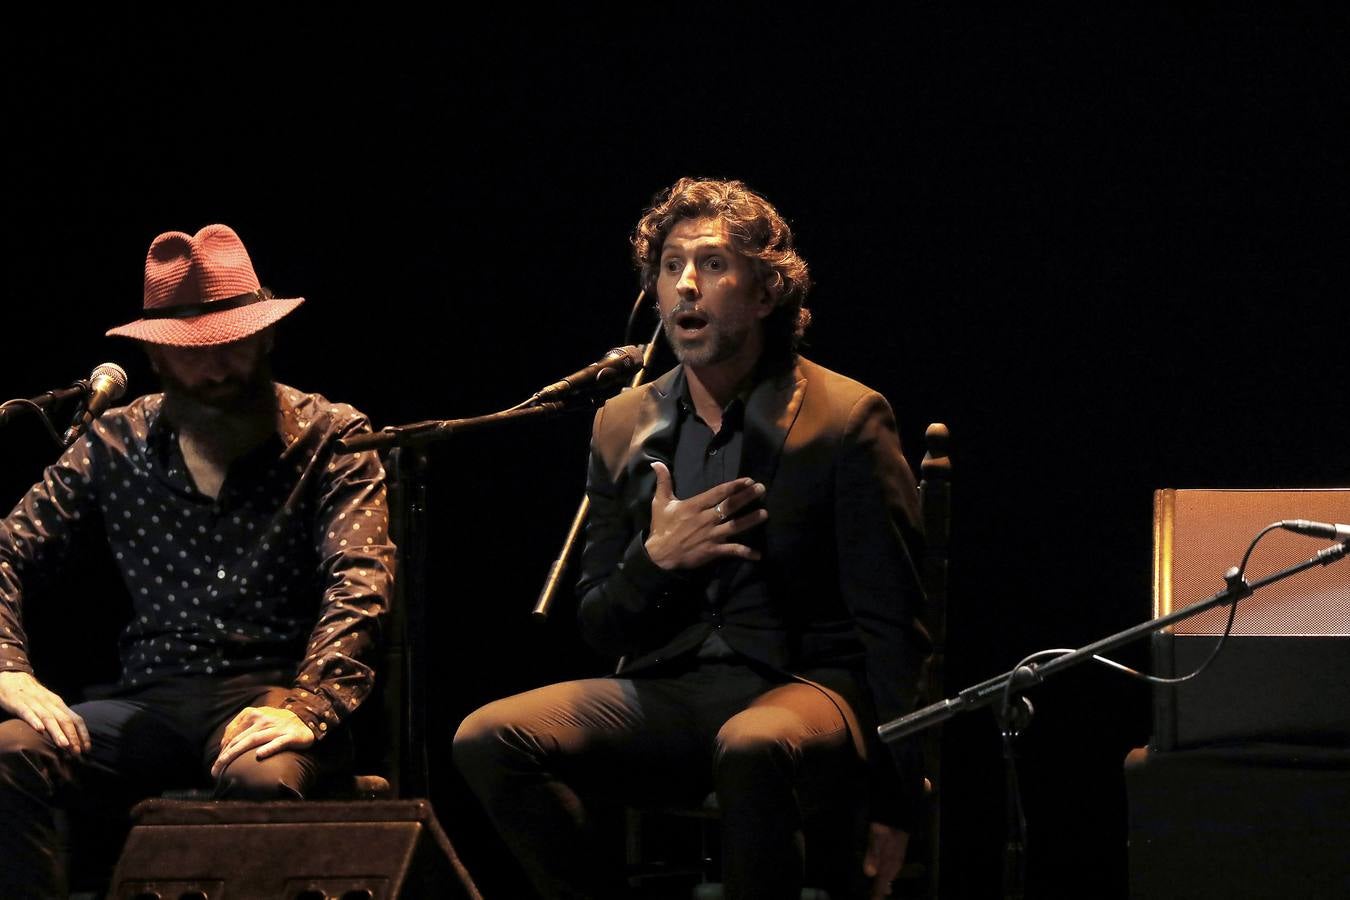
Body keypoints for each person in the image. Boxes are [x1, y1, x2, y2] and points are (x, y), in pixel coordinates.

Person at [454, 178, 930, 899]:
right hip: (674, 692)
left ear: (766, 292)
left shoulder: (845, 418)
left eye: (711, 266)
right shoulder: (622, 422)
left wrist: (901, 801)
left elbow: (894, 625)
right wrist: (655, 562)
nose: (685, 287)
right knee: (488, 738)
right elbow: (597, 620)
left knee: (752, 744)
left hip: (807, 686)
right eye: (671, 265)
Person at [0, 224, 395, 897]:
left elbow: (358, 581)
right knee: (11, 754)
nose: (216, 370)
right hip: (151, 703)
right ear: (157, 355)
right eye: (192, 353)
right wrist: (8, 669)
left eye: (233, 345)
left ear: (266, 336)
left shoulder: (333, 436)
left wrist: (311, 703)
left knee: (258, 781)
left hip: (273, 692)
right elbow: (7, 547)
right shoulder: (113, 440)